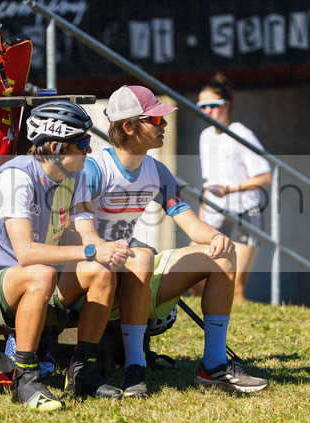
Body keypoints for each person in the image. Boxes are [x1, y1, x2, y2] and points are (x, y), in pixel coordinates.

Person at [82, 85, 268, 396]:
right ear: (128, 127)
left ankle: (214, 367)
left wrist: (216, 236)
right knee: (141, 257)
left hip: (134, 275)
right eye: (155, 120)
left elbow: (191, 225)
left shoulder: (157, 171)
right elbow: (70, 233)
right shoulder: (94, 168)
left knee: (221, 256)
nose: (164, 124)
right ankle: (135, 368)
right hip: (94, 280)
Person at [0, 100, 134, 411]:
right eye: (82, 143)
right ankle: (25, 377)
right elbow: (26, 253)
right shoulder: (16, 177)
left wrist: (104, 249)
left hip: (34, 284)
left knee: (101, 272)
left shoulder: (75, 176)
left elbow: (86, 231)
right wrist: (91, 251)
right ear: (55, 147)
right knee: (42, 272)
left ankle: (84, 372)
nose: (89, 150)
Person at [193, 73, 272, 302]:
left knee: (235, 288)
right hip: (214, 214)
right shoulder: (206, 136)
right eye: (202, 106)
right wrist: (201, 216)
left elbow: (266, 177)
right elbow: (208, 182)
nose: (207, 110)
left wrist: (231, 189)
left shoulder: (241, 133)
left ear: (227, 104)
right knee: (192, 279)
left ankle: (238, 322)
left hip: (243, 214)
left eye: (213, 105)